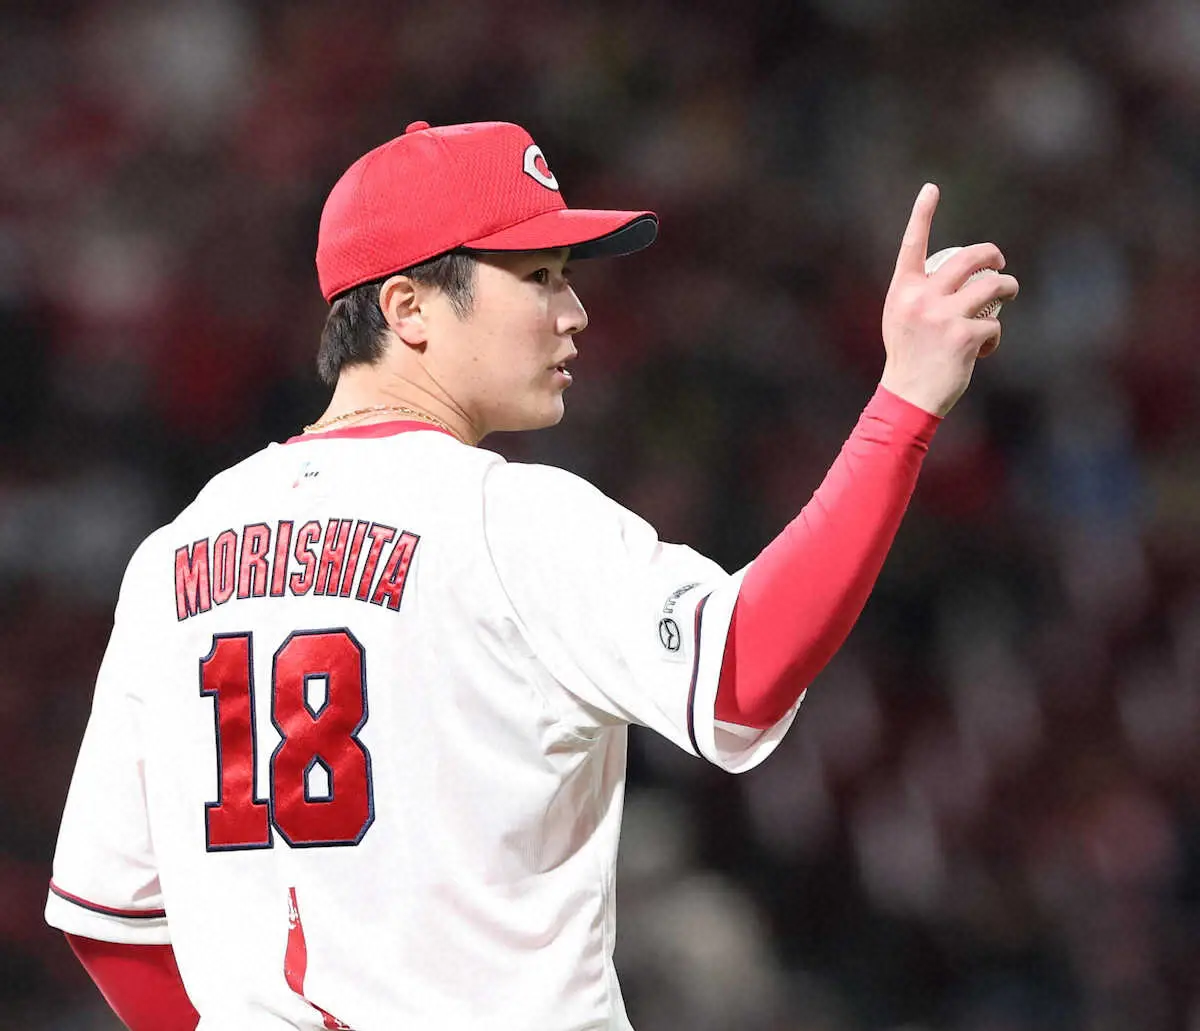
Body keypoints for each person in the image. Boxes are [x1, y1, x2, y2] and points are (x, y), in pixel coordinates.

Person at [44, 119, 1018, 1030]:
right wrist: (904, 402)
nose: (575, 313)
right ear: (407, 307)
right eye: (540, 276)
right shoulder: (500, 519)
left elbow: (110, 918)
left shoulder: (173, 557)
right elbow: (741, 671)